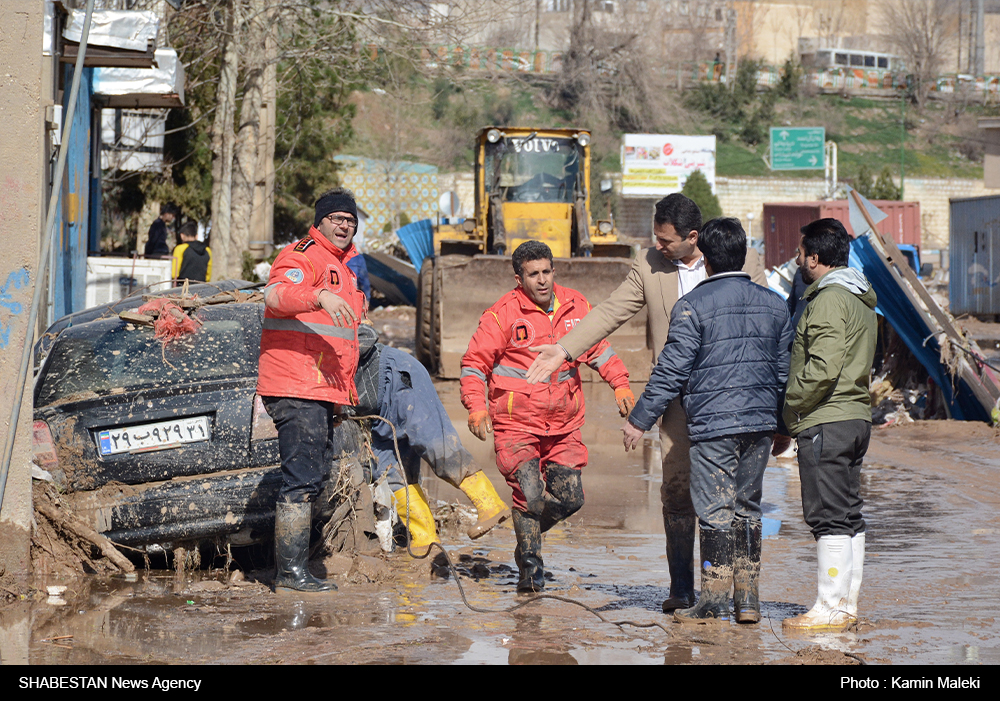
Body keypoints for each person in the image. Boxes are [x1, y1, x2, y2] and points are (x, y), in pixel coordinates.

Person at [525, 193, 766, 613]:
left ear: (694, 238)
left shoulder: (745, 262)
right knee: (677, 491)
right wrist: (563, 349)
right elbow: (609, 312)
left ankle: (737, 596)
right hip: (675, 398)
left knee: (736, 497)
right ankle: (683, 589)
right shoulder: (649, 265)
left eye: (666, 240)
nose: (658, 245)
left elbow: (765, 326)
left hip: (733, 395)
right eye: (655, 238)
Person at [621, 218, 793, 624]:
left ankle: (713, 599)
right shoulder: (774, 304)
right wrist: (783, 425)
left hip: (714, 426)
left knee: (714, 509)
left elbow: (671, 371)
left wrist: (639, 419)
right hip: (759, 424)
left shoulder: (692, 305)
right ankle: (748, 602)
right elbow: (784, 372)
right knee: (748, 507)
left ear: (708, 260)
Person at [460, 240, 634, 593]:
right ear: (518, 278)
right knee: (530, 494)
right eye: (533, 274)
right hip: (516, 425)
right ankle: (530, 569)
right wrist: (476, 407)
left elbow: (599, 350)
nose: (542, 280)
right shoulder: (501, 315)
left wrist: (621, 385)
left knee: (571, 498)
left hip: (564, 425)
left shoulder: (577, 305)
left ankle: (527, 537)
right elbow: (474, 365)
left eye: (546, 272)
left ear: (554, 271)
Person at [257, 187, 367, 593]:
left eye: (351, 221)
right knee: (301, 479)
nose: (345, 225)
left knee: (314, 476)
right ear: (320, 221)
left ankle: (297, 566)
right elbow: (275, 294)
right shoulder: (303, 255)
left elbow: (341, 340)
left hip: (320, 387)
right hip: (295, 382)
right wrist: (317, 294)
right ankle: (290, 574)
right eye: (337, 218)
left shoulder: (345, 267)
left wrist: (340, 398)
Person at [772, 218, 877, 632]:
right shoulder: (860, 297)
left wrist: (788, 407)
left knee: (828, 517)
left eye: (800, 253)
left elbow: (822, 368)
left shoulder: (829, 299)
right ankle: (845, 604)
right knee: (848, 514)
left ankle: (829, 607)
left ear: (814, 259)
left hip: (827, 421)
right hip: (854, 417)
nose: (797, 259)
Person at [353, 322, 511, 556]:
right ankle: (425, 538)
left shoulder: (323, 331)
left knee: (433, 443)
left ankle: (489, 504)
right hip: (378, 409)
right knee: (389, 471)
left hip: (397, 376)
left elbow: (366, 336)